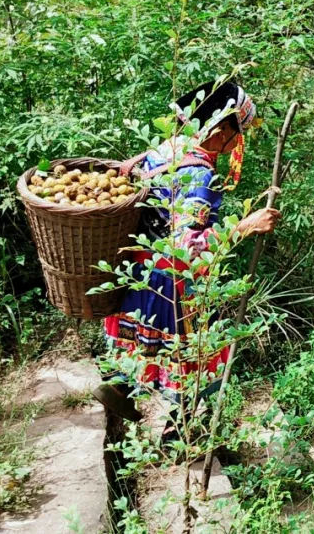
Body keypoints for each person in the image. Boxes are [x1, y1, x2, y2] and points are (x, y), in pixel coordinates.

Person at [94, 81, 280, 441]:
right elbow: (189, 247)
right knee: (202, 357)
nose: (234, 145)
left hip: (136, 271)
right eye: (236, 134)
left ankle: (120, 386)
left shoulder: (163, 150)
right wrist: (246, 225)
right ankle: (179, 434)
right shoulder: (200, 175)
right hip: (169, 286)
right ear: (221, 129)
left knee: (140, 345)